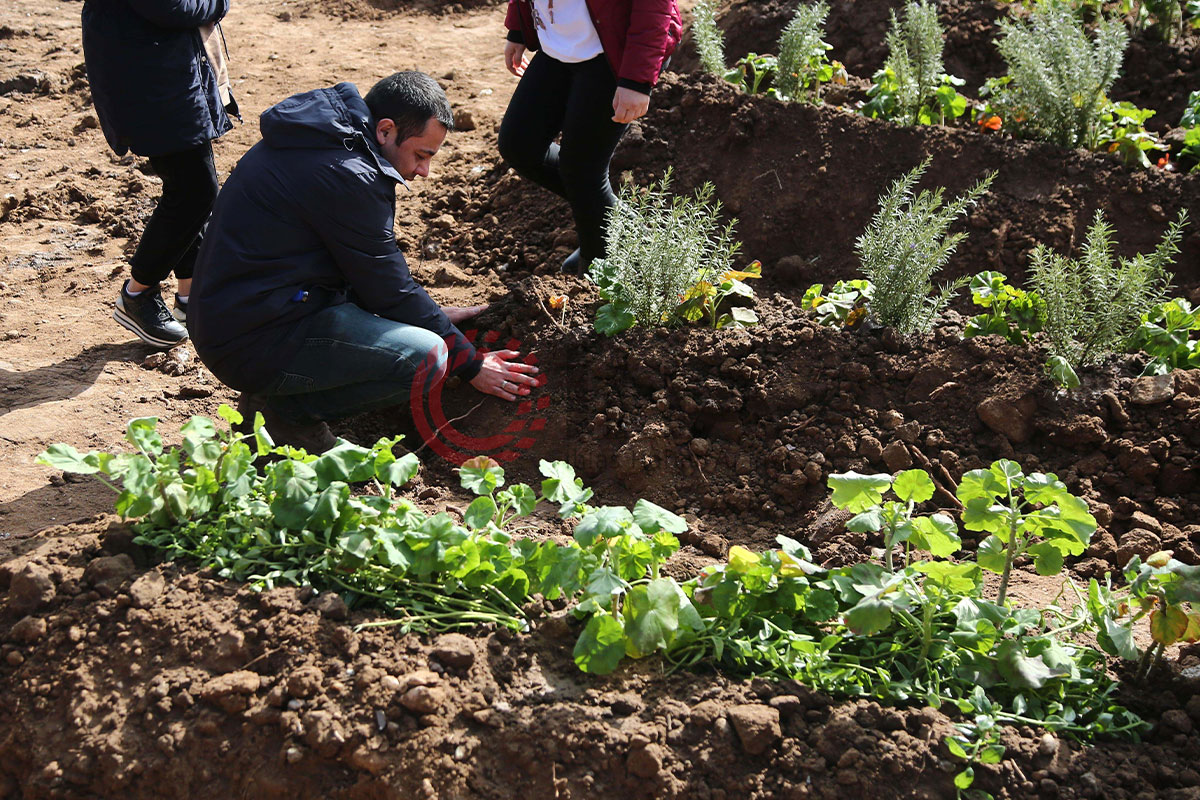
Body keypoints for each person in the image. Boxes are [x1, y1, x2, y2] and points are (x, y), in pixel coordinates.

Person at [187, 72, 539, 453]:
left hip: (242, 316)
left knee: (419, 331)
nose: (424, 171)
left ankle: (273, 405)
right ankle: (286, 416)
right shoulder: (349, 176)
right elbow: (390, 290)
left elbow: (365, 273)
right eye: (422, 155)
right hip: (250, 341)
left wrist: (425, 314)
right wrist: (471, 365)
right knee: (428, 358)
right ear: (385, 130)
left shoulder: (323, 138)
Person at [82, 0, 238, 349]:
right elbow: (170, 6)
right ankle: (138, 293)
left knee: (189, 185)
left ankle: (188, 297)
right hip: (152, 76)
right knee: (195, 190)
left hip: (161, 70)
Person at [498, 0, 682, 274]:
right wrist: (519, 27)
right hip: (558, 46)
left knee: (582, 170)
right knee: (519, 145)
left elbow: (654, 7)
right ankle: (632, 234)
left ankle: (596, 267)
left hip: (613, 51)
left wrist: (636, 80)